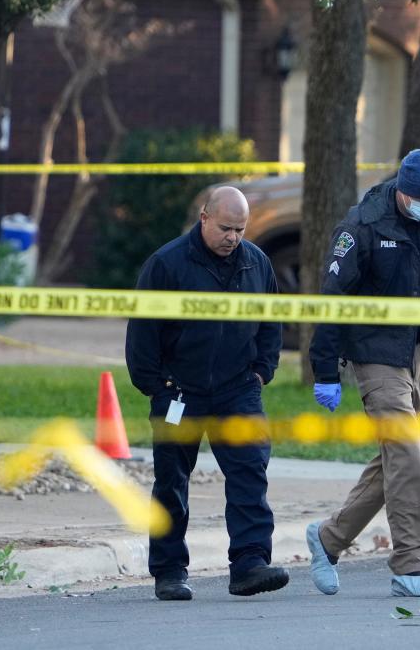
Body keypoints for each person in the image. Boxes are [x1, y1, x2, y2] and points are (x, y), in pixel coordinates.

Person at [306, 148, 420, 598]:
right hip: (375, 351)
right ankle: (411, 564)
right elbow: (333, 297)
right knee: (404, 450)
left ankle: (329, 539)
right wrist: (324, 368)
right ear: (402, 191)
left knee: (404, 455)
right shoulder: (363, 225)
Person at [125, 186, 288, 601]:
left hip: (238, 390)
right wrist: (157, 386)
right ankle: (169, 571)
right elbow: (143, 333)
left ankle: (250, 564)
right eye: (225, 228)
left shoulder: (256, 263)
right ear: (204, 217)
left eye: (240, 229)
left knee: (250, 471)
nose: (233, 237)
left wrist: (261, 371)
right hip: (179, 391)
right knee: (171, 480)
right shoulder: (167, 264)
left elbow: (272, 321)